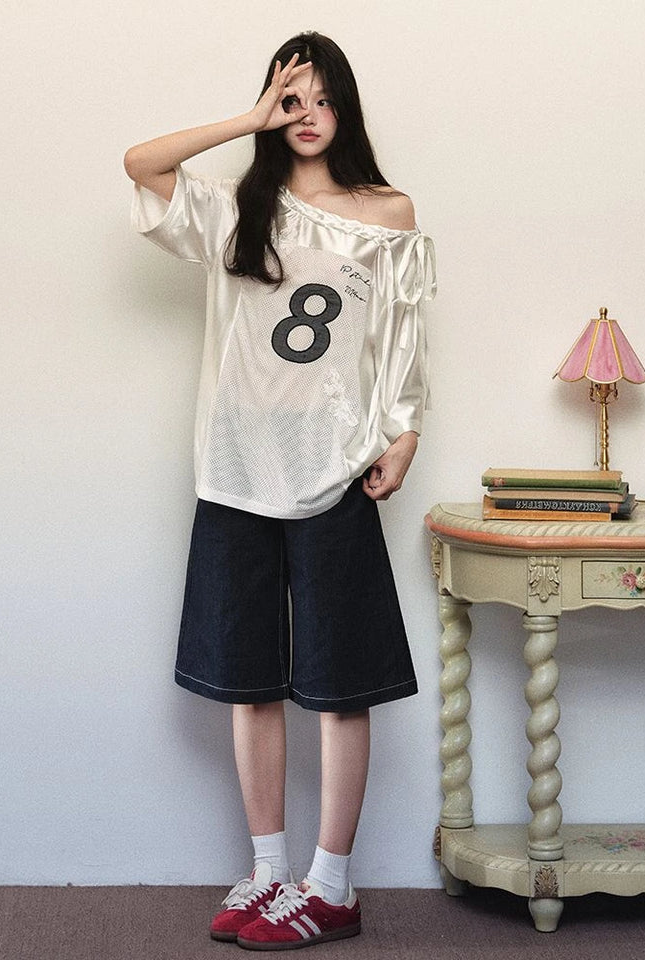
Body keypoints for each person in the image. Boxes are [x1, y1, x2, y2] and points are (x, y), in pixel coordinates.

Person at [124, 30, 435, 951]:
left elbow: (404, 336)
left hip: (336, 467)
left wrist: (405, 432)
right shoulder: (234, 208)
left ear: (347, 108)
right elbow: (141, 163)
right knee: (247, 682)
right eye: (290, 99)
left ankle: (330, 886)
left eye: (322, 98)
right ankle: (269, 872)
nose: (306, 116)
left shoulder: (386, 212)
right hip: (235, 470)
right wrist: (249, 120)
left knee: (341, 687)